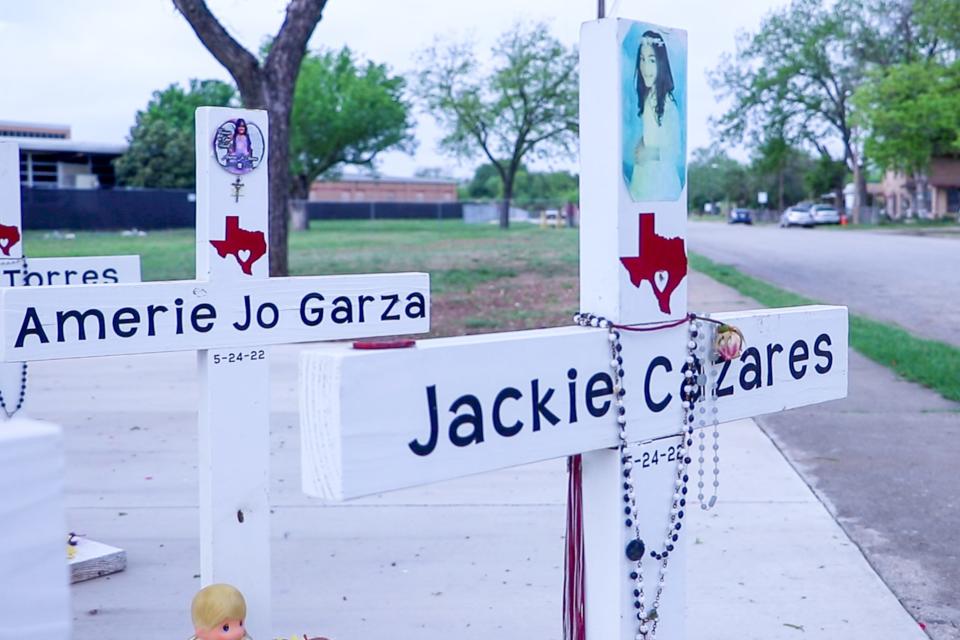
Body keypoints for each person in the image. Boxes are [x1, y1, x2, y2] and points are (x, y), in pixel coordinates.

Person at [628, 30, 683, 201]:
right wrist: (640, 144)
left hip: (660, 184)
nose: (645, 67)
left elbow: (675, 150)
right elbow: (652, 135)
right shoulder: (648, 97)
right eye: (642, 60)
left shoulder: (667, 103)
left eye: (652, 60)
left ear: (661, 63)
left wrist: (649, 154)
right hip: (644, 178)